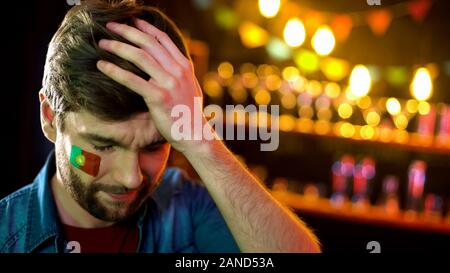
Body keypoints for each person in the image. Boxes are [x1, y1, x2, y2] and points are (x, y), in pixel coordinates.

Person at [0, 0, 320, 253]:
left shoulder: (187, 209)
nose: (131, 178)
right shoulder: (6, 234)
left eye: (154, 147)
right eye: (104, 145)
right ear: (50, 118)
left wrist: (200, 139)